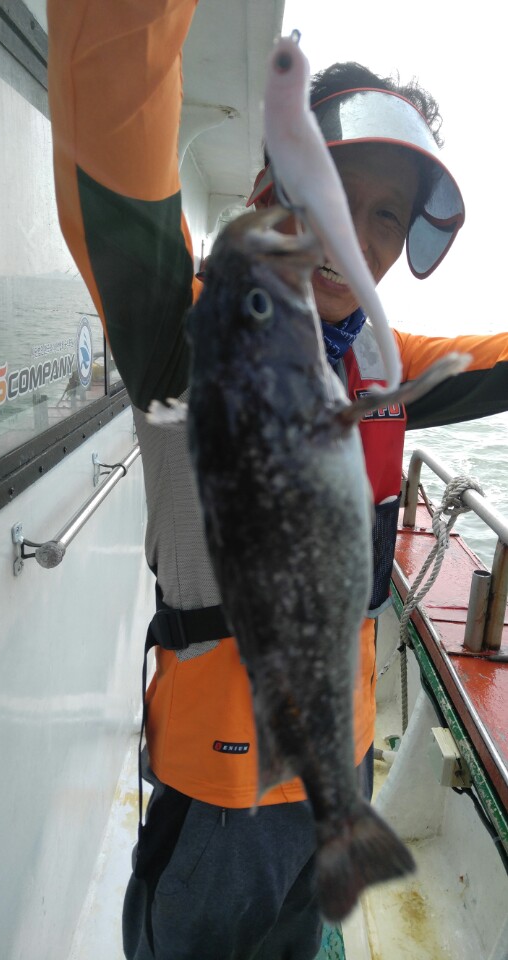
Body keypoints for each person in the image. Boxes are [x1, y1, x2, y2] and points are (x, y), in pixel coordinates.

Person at [47, 3, 508, 959]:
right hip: (222, 797)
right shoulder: (187, 336)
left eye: (386, 215)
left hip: (338, 764)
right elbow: (113, 131)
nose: (354, 233)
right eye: (330, 190)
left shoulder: (380, 365)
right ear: (270, 189)